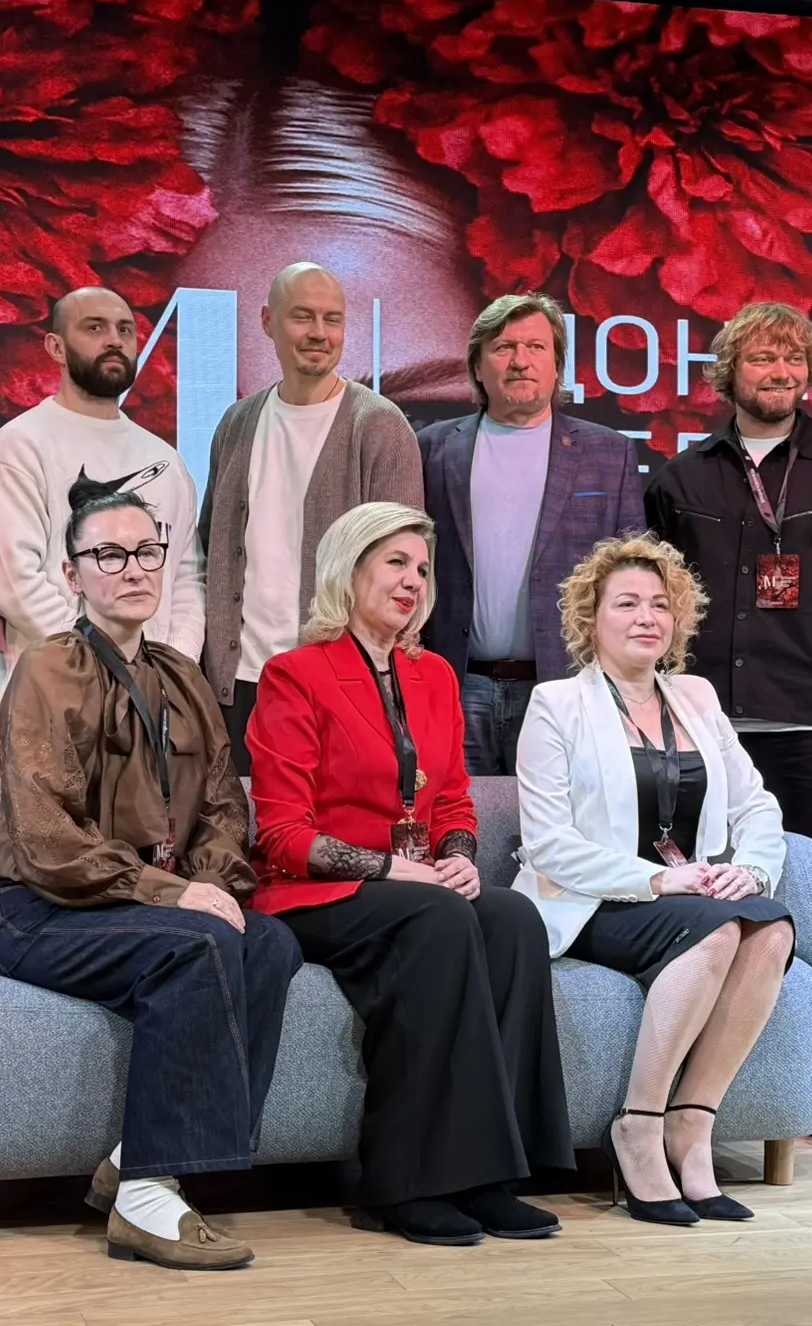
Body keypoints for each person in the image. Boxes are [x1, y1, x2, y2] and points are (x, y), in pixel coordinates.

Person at [0, 478, 299, 1270]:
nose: (132, 569)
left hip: (140, 904)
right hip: (41, 905)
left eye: (147, 552)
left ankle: (136, 1158)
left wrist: (211, 883)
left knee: (269, 944)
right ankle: (147, 1201)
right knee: (198, 944)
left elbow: (224, 806)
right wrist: (177, 894)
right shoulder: (47, 669)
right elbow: (48, 839)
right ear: (71, 573)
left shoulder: (183, 676)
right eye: (109, 555)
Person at [246, 502, 572, 1247]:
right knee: (439, 917)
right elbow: (283, 835)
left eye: (422, 569)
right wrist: (398, 871)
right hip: (315, 894)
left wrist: (456, 856)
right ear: (348, 569)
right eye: (395, 562)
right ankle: (401, 1183)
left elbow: (453, 796)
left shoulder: (435, 676)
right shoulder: (294, 675)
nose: (413, 581)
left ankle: (491, 1175)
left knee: (511, 918)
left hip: (414, 891)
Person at [645, 301, 812, 1151]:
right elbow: (650, 611)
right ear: (730, 373)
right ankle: (720, 1095)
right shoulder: (680, 481)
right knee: (704, 904)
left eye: (794, 360)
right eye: (763, 359)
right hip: (703, 727)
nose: (781, 373)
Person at [513, 536, 794, 1225]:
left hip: (690, 895)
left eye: (660, 605)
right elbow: (548, 845)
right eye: (627, 603)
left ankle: (692, 1124)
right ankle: (638, 1127)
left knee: (770, 926)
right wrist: (658, 881)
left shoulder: (695, 697)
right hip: (592, 900)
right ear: (592, 618)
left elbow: (757, 805)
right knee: (718, 929)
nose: (647, 617)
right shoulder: (557, 703)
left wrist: (751, 868)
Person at [197, 263, 424, 773]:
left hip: (339, 687)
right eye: (302, 317)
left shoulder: (381, 427)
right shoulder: (236, 422)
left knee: (327, 820)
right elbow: (210, 547)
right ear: (267, 322)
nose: (320, 333)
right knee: (239, 816)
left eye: (332, 319)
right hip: (239, 683)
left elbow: (406, 576)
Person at [418, 293, 645, 776]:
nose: (520, 361)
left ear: (557, 365)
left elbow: (633, 581)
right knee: (459, 816)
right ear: (477, 367)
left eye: (536, 347)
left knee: (562, 819)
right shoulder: (431, 448)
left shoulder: (610, 454)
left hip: (567, 687)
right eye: (503, 347)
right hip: (457, 686)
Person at [0, 286, 205, 682]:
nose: (114, 340)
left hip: (155, 689)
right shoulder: (20, 446)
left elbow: (185, 579)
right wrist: (103, 661)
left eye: (125, 330)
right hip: (59, 684)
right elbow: (13, 583)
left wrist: (171, 667)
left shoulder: (166, 460)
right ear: (56, 347)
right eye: (95, 328)